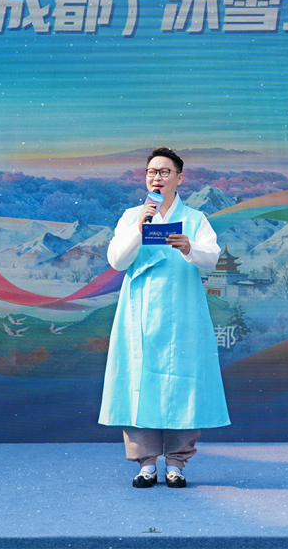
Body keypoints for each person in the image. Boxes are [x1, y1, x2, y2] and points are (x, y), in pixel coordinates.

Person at [99, 147, 230, 489]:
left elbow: (212, 258)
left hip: (183, 314)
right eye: (151, 172)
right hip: (139, 314)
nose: (157, 178)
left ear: (179, 178)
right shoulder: (132, 216)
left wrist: (189, 247)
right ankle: (146, 464)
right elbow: (117, 260)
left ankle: (176, 463)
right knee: (138, 383)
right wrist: (138, 227)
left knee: (183, 382)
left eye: (164, 172)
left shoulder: (195, 219)